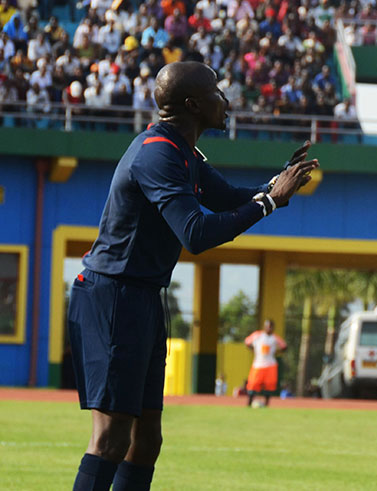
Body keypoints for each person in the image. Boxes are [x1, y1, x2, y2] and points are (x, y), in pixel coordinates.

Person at [67, 61, 319, 491]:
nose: (225, 100)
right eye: (216, 92)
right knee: (110, 438)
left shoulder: (182, 151)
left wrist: (276, 186)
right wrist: (270, 203)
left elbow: (226, 199)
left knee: (146, 440)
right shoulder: (157, 153)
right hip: (112, 297)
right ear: (192, 104)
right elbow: (197, 233)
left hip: (142, 298)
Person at [245, 319, 288, 408]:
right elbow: (247, 342)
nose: (269, 328)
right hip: (258, 364)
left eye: (271, 327)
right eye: (268, 326)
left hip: (271, 364)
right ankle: (249, 403)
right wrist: (253, 349)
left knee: (269, 384)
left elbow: (284, 346)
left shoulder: (275, 338)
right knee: (253, 383)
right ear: (265, 327)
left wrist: (277, 352)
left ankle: (267, 403)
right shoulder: (257, 335)